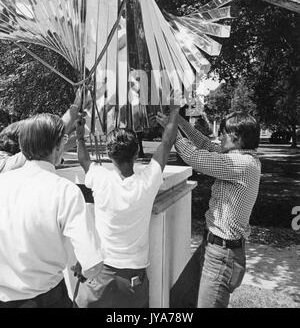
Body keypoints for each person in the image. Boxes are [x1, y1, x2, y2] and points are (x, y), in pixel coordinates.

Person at [74, 104, 180, 308]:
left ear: (109, 154)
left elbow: (83, 159)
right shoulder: (147, 182)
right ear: (136, 153)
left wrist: (80, 137)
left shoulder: (99, 178)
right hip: (133, 276)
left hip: (99, 272)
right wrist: (174, 110)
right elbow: (167, 143)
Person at [156, 110, 261, 308]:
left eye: (223, 133)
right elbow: (203, 143)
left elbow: (194, 156)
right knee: (179, 300)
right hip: (211, 247)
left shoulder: (242, 164)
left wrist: (172, 132)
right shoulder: (235, 155)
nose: (219, 136)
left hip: (223, 256)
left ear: (237, 138)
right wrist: (180, 122)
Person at [0, 113, 103, 308]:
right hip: (46, 299)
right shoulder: (65, 191)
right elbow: (92, 264)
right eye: (63, 141)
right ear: (57, 147)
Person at [0, 90, 82, 174]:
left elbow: (56, 144)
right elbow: (52, 136)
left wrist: (79, 135)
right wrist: (76, 105)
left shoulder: (14, 162)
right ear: (22, 142)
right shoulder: (5, 163)